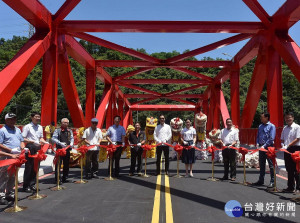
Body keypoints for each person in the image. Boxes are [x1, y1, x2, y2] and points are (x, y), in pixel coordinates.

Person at [0, 113, 24, 205]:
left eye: (14, 119)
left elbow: (21, 140)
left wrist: (22, 148)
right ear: (6, 120)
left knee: (12, 175)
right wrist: (11, 150)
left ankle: (9, 193)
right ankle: (1, 195)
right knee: (4, 176)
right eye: (10, 119)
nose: (13, 120)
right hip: (6, 156)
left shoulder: (17, 130)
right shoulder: (2, 130)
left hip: (16, 156)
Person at [22, 112, 47, 193]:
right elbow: (23, 138)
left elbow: (41, 138)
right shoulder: (27, 127)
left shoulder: (40, 127)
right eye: (36, 117)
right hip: (30, 147)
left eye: (39, 117)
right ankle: (26, 186)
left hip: (38, 147)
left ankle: (32, 184)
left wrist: (45, 142)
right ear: (32, 117)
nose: (38, 118)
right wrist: (31, 141)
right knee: (29, 167)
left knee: (36, 167)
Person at [253, 112, 276, 188]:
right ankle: (261, 180)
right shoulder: (260, 126)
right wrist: (257, 143)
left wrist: (264, 145)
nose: (261, 118)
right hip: (261, 147)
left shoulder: (272, 126)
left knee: (271, 165)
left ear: (266, 118)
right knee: (262, 164)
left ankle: (272, 181)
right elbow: (258, 136)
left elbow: (271, 138)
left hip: (268, 148)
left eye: (262, 117)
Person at [281, 112, 300, 193]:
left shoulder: (297, 127)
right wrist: (283, 144)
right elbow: (282, 138)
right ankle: (290, 187)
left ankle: (298, 188)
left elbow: (298, 138)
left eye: (289, 117)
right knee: (289, 168)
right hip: (286, 149)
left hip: (295, 149)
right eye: (286, 118)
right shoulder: (285, 128)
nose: (288, 119)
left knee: (297, 169)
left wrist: (288, 145)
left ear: (293, 118)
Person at [52, 118, 74, 183]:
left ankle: (65, 177)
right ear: (61, 123)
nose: (65, 124)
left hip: (67, 149)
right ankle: (58, 178)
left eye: (67, 123)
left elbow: (72, 138)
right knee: (58, 164)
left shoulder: (69, 131)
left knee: (66, 164)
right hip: (60, 149)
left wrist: (72, 143)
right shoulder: (57, 130)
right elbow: (53, 138)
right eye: (64, 122)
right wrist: (60, 143)